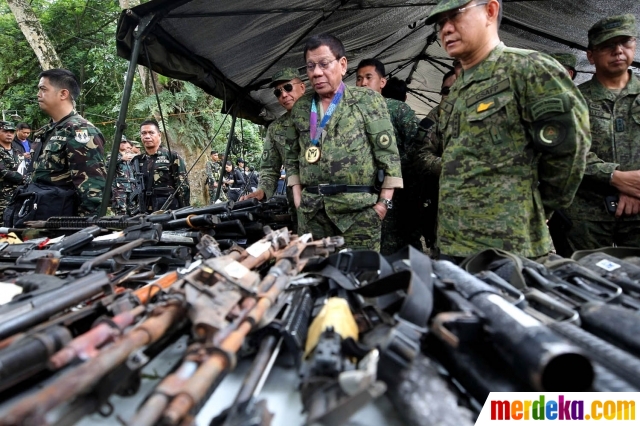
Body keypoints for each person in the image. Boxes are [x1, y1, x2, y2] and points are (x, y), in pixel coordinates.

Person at [422, 0, 590, 261]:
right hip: (453, 243)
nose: (446, 28)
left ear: (490, 11)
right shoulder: (456, 91)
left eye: (455, 15)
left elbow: (569, 150)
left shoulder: (529, 69)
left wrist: (533, 209)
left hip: (510, 245)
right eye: (440, 22)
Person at [287, 34, 403, 251]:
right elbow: (292, 154)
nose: (316, 72)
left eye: (324, 64)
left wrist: (383, 204)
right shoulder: (301, 107)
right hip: (312, 214)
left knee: (360, 271)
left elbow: (388, 156)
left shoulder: (367, 100)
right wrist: (297, 196)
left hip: (358, 213)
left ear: (342, 65)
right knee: (314, 271)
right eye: (310, 66)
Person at [563, 14, 640, 250]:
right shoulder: (573, 100)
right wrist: (616, 178)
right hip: (588, 214)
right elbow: (566, 152)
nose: (618, 51)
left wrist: (635, 188)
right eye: (607, 45)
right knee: (586, 270)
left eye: (625, 42)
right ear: (591, 55)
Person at [4, 68, 106, 224]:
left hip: (62, 225)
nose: (38, 94)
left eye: (43, 89)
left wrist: (86, 229)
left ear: (63, 94)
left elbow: (93, 192)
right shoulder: (47, 131)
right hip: (39, 218)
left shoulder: (80, 131)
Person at [356, 58, 421, 254]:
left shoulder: (397, 109)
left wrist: (395, 170)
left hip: (400, 194)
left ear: (382, 82)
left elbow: (418, 146)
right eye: (359, 79)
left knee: (403, 244)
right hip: (365, 194)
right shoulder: (351, 115)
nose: (363, 83)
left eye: (369, 77)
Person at [240, 67, 306, 230]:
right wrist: (262, 190)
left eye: (288, 87)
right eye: (278, 92)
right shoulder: (276, 129)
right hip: (300, 207)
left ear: (302, 87)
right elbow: (269, 169)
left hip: (332, 200)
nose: (284, 95)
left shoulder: (325, 115)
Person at [137, 119, 190, 212]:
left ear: (159, 135)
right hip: (144, 210)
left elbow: (183, 186)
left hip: (168, 209)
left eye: (151, 133)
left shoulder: (171, 156)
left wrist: (184, 210)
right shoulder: (138, 160)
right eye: (143, 133)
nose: (147, 136)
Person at [0, 122, 24, 223]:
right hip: (2, 196)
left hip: (18, 194)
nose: (9, 134)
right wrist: (24, 178)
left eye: (11, 132)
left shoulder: (17, 151)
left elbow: (24, 167)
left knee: (15, 221)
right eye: (5, 131)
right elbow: (3, 171)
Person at [110, 136, 138, 215]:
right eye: (120, 142)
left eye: (124, 142)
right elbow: (108, 166)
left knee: (133, 210)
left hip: (131, 187)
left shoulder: (129, 156)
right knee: (121, 210)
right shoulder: (113, 155)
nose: (122, 144)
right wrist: (121, 159)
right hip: (119, 189)